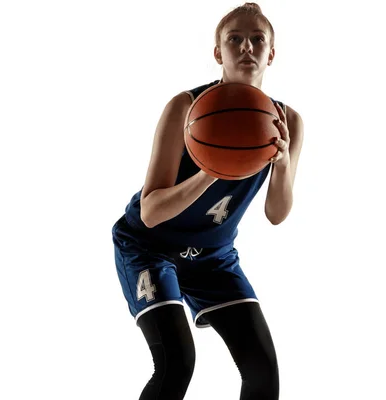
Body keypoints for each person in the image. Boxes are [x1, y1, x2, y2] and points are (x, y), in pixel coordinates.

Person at [111, 3, 304, 399]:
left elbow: (277, 214)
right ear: (218, 52)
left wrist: (282, 165)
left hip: (213, 256)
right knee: (178, 363)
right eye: (234, 39)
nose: (246, 47)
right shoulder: (185, 109)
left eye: (257, 39)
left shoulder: (288, 121)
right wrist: (212, 169)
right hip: (148, 248)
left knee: (263, 370)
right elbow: (150, 212)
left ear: (272, 53)